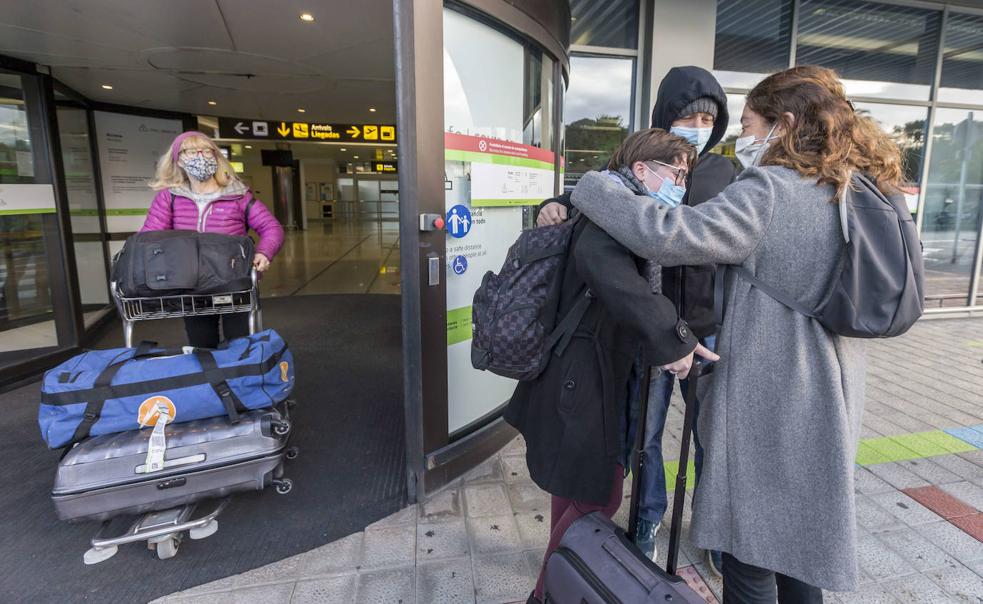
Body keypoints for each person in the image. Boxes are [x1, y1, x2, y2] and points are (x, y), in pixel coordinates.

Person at [568, 65, 904, 602]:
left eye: (748, 124)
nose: (743, 136)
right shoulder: (861, 184)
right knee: (801, 545)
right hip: (836, 379)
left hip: (777, 382)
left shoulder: (773, 189)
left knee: (751, 553)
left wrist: (591, 188)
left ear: (785, 123)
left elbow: (669, 235)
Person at [505, 129, 718, 604]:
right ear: (641, 170)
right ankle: (548, 592)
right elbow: (616, 279)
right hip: (583, 378)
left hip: (595, 374)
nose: (680, 182)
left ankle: (551, 585)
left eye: (686, 173)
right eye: (674, 171)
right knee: (595, 498)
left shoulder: (629, 209)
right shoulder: (609, 213)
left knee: (578, 489)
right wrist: (674, 339)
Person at [538, 66, 736, 572]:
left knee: (709, 432)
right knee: (644, 433)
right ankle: (647, 517)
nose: (698, 123)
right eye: (688, 114)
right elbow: (600, 198)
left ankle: (713, 527)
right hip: (651, 329)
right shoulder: (648, 161)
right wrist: (553, 204)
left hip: (704, 327)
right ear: (666, 115)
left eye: (708, 117)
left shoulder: (725, 174)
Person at [141, 131, 284, 348]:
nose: (200, 156)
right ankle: (214, 381)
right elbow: (150, 238)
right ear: (178, 159)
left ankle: (238, 380)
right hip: (190, 283)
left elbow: (271, 227)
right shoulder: (170, 197)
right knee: (202, 346)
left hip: (233, 281)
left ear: (216, 157)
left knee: (240, 344)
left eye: (206, 150)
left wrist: (264, 252)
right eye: (191, 151)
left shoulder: (237, 195)